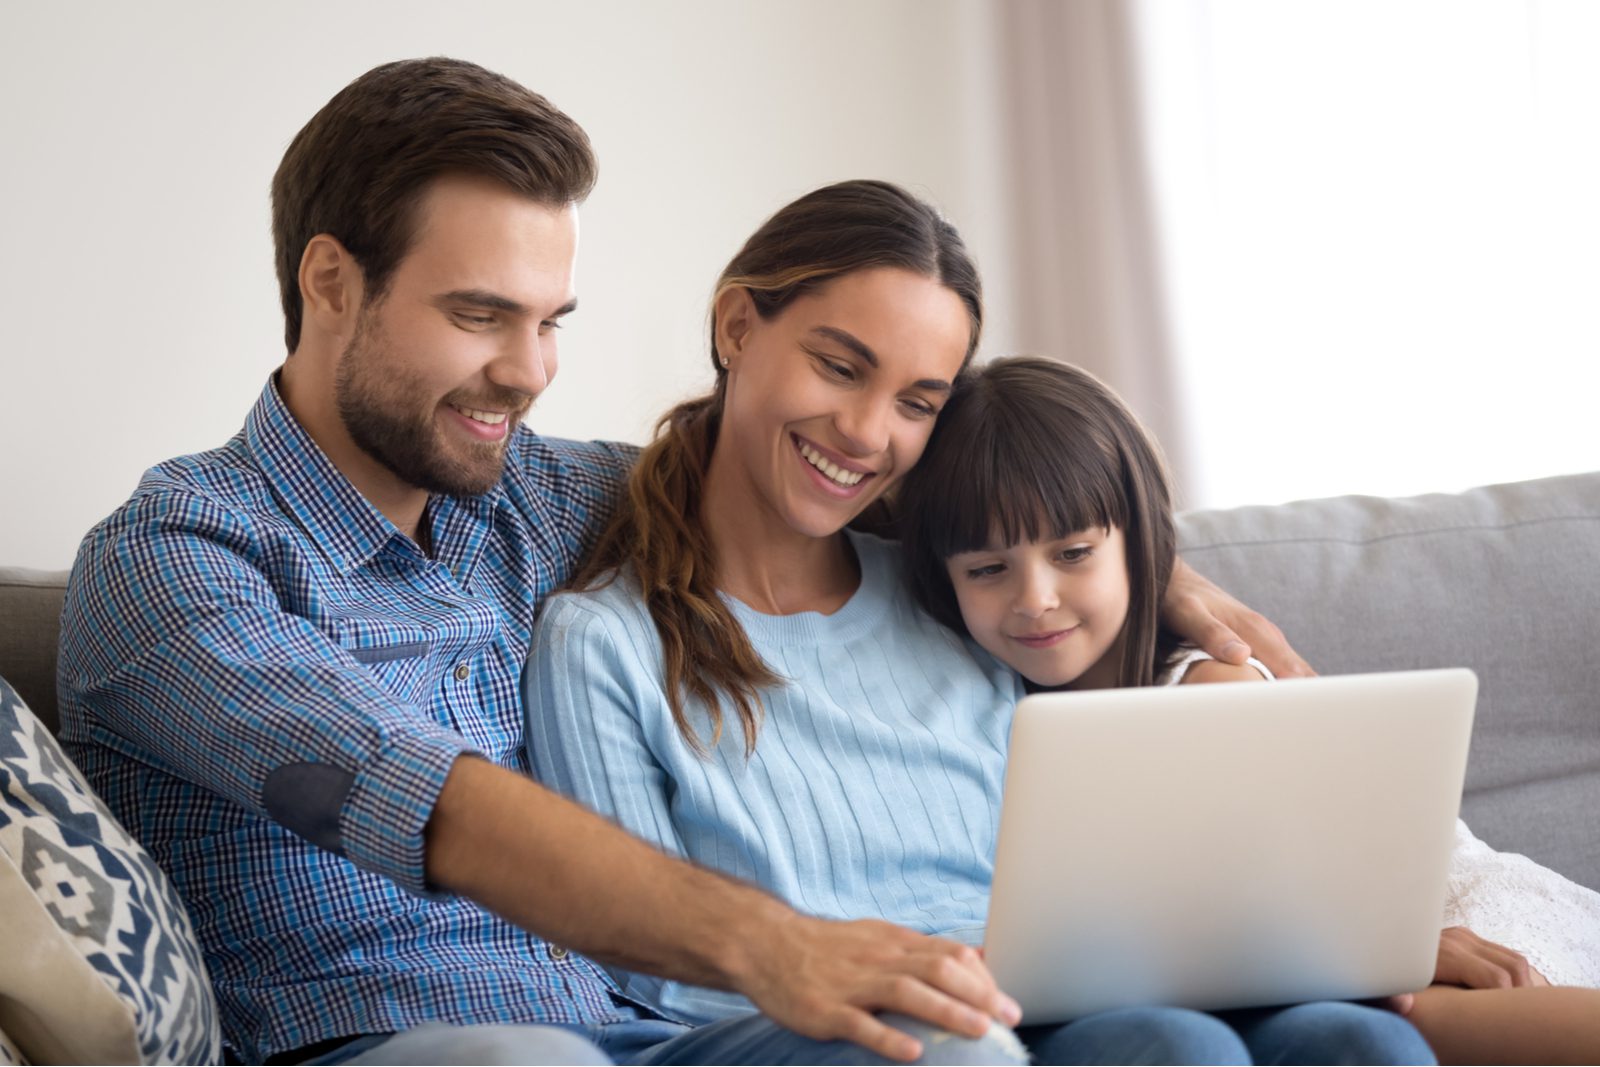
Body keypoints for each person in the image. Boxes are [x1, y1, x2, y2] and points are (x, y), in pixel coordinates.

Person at [53, 56, 1297, 1066]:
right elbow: (424, 804)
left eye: (550, 324)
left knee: (1046, 1045)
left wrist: (1158, 571)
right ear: (332, 280)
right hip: (395, 1038)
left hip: (642, 1036)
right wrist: (777, 945)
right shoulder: (179, 564)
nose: (529, 372)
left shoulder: (533, 495)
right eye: (480, 315)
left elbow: (829, 474)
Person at [524, 184, 1432, 1063]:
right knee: (1170, 1046)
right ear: (736, 328)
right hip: (805, 1026)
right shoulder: (603, 642)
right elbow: (646, 966)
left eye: (917, 402)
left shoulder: (951, 594)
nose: (867, 432)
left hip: (1032, 996)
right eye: (840, 367)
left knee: (1360, 1037)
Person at [894, 356, 1600, 1065]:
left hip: (1422, 909)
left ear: (1142, 546)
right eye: (988, 569)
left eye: (1074, 552)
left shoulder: (1213, 687)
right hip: (1300, 954)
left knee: (1406, 1016)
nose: (1034, 598)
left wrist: (1386, 947)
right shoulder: (976, 702)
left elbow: (1291, 906)